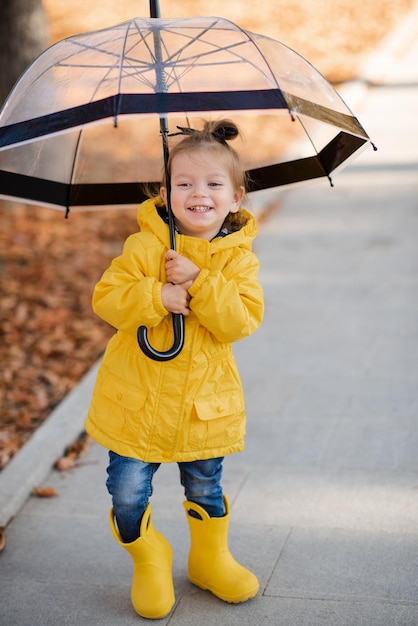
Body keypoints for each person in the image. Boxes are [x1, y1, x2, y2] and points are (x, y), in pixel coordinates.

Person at [85, 119, 264, 619]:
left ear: (235, 198)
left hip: (201, 407)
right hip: (136, 405)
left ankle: (210, 558)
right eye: (184, 184)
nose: (197, 194)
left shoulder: (238, 261)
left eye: (212, 184)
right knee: (125, 494)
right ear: (166, 195)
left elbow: (240, 320)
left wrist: (200, 281)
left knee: (205, 484)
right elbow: (107, 300)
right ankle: (150, 556)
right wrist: (155, 294)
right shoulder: (144, 248)